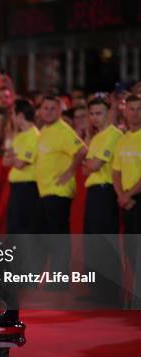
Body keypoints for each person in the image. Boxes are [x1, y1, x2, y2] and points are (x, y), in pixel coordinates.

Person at [82, 97, 123, 305]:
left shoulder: (114, 134)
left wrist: (88, 163)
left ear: (108, 113)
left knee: (106, 241)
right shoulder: (97, 136)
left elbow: (95, 165)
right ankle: (97, 291)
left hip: (105, 191)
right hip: (93, 191)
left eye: (99, 113)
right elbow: (84, 167)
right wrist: (88, 162)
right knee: (92, 241)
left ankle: (110, 293)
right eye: (92, 114)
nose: (95, 117)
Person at [36, 95, 87, 233]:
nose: (48, 111)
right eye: (45, 108)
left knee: (57, 238)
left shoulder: (63, 130)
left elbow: (82, 150)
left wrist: (70, 171)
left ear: (59, 111)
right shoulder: (44, 130)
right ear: (40, 110)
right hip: (45, 191)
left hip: (58, 191)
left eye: (53, 108)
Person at [112, 94, 141, 307]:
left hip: (137, 198)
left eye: (139, 108)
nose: (135, 113)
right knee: (131, 251)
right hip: (126, 201)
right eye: (131, 108)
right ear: (125, 111)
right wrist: (122, 195)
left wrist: (128, 195)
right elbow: (115, 172)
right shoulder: (122, 139)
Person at [4, 98, 40, 234]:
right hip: (16, 188)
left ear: (20, 116)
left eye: (12, 114)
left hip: (27, 188)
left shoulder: (34, 136)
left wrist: (13, 157)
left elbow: (19, 163)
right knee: (13, 227)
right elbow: (5, 161)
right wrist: (14, 156)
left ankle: (27, 255)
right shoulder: (19, 136)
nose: (11, 118)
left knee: (24, 229)